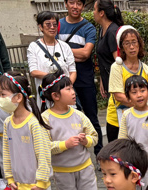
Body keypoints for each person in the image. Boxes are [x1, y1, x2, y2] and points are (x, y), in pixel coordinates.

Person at [41, 74, 100, 190]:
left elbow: (94, 136)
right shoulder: (45, 118)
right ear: (55, 95)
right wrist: (64, 144)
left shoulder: (78, 115)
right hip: (62, 172)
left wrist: (86, 141)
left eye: (72, 88)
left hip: (84, 167)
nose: (73, 92)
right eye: (68, 89)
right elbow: (43, 146)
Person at [59, 0, 101, 151]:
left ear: (83, 6)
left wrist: (62, 51)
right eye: (72, 2)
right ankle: (72, 151)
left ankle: (99, 153)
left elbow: (85, 53)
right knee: (66, 116)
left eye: (79, 3)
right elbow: (52, 50)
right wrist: (76, 54)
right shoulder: (57, 25)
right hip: (63, 79)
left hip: (85, 78)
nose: (75, 6)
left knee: (92, 117)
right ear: (65, 4)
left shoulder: (88, 27)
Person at [107, 25, 148, 145]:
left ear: (139, 44)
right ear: (121, 47)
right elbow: (119, 96)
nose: (131, 47)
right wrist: (141, 104)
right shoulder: (116, 67)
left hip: (141, 118)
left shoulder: (145, 69)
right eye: (127, 43)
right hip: (117, 120)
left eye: (134, 42)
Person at [29, 11, 77, 108]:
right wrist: (56, 81)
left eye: (55, 24)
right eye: (48, 24)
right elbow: (34, 71)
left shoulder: (65, 46)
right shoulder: (34, 47)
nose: (52, 27)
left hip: (64, 95)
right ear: (40, 27)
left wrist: (66, 86)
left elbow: (72, 71)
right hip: (46, 96)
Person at [94, 0, 124, 139]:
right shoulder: (102, 30)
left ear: (101, 13)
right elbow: (104, 59)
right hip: (109, 84)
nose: (93, 13)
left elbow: (118, 62)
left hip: (118, 87)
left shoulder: (112, 32)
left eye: (94, 10)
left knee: (117, 130)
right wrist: (102, 79)